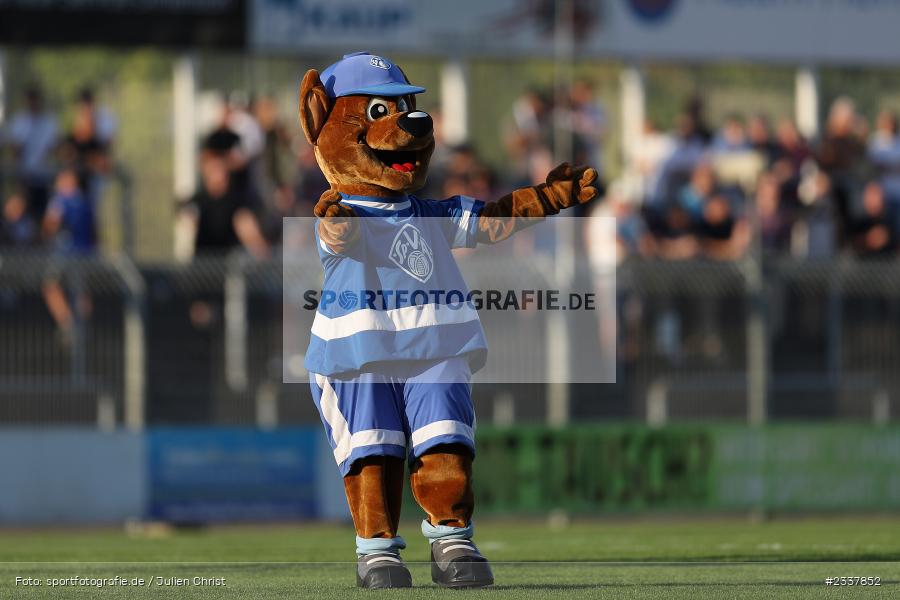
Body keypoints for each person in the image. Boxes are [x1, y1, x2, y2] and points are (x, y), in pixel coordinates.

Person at [180, 156, 268, 259]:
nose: (216, 175)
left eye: (218, 169)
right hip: (204, 260)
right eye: (212, 170)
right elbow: (186, 213)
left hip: (231, 260)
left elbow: (249, 228)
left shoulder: (237, 200)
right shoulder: (200, 200)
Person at [3, 86, 58, 219]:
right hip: (25, 176)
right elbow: (16, 149)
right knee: (22, 213)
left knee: (42, 212)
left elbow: (53, 150)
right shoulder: (20, 121)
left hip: (43, 176)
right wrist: (18, 176)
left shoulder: (48, 122)